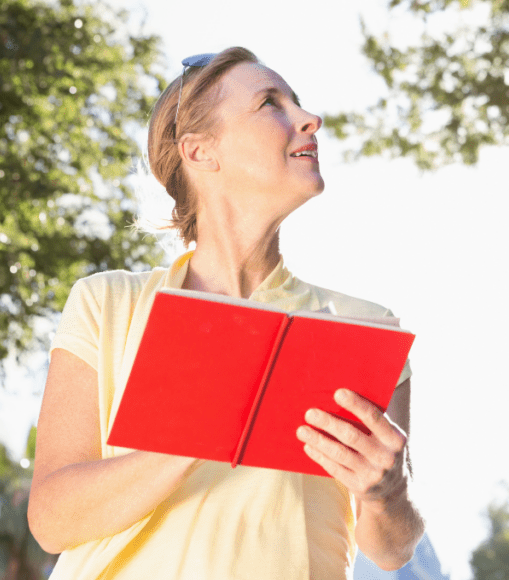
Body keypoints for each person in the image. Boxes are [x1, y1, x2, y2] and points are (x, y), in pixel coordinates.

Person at [27, 47, 424, 579]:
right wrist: (208, 430)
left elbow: (392, 547)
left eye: (297, 102)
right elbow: (51, 519)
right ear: (200, 152)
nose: (310, 120)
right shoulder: (109, 302)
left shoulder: (364, 327)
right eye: (270, 103)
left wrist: (387, 492)